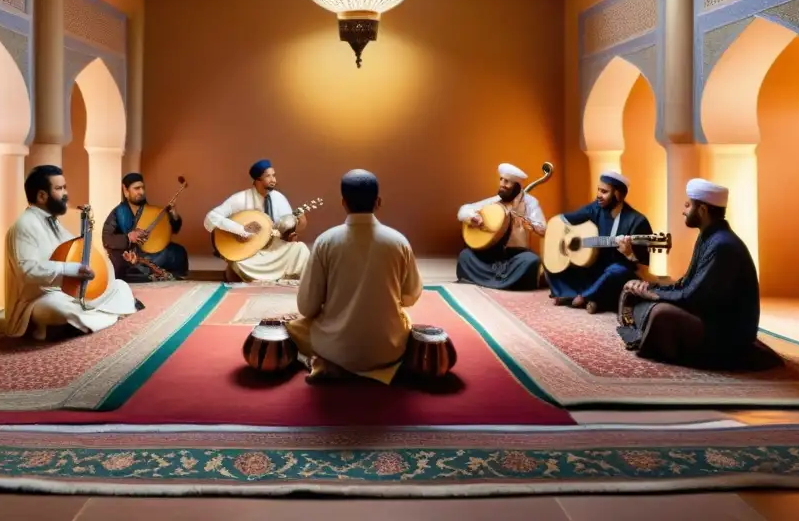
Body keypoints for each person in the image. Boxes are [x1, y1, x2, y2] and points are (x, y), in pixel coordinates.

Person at [286, 169, 423, 384]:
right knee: (406, 321)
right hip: (388, 350)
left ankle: (327, 365)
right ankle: (380, 371)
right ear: (378, 202)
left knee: (294, 325)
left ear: (343, 202)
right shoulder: (398, 242)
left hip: (334, 349)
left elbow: (307, 307)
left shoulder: (325, 241)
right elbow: (410, 297)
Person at [617, 179, 768, 370]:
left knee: (661, 313)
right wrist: (650, 288)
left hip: (727, 333)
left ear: (703, 210)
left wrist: (653, 295)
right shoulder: (708, 236)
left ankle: (660, 340)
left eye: (688, 205)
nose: (684, 210)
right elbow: (685, 284)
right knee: (641, 297)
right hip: (708, 314)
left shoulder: (722, 245)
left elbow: (693, 296)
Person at [5, 165, 140, 341]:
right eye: (59, 188)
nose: (65, 194)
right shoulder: (24, 226)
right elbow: (28, 270)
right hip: (39, 299)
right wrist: (71, 270)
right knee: (58, 308)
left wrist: (99, 268)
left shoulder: (53, 222)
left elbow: (77, 250)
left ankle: (82, 323)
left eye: (64, 187)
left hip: (68, 291)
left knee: (120, 287)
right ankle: (93, 318)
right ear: (41, 196)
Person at [545, 170, 652, 314]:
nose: (598, 195)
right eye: (598, 190)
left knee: (616, 271)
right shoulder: (595, 208)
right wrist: (562, 237)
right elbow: (566, 219)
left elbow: (644, 264)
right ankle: (593, 298)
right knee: (553, 259)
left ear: (618, 195)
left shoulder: (637, 221)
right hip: (593, 269)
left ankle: (584, 296)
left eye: (604, 192)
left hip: (615, 275)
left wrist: (629, 253)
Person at [204, 159, 310, 282]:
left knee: (300, 249)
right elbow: (211, 218)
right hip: (252, 254)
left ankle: (284, 279)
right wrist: (239, 230)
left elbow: (286, 226)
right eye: (268, 176)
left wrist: (296, 226)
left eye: (274, 175)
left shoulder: (279, 198)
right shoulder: (240, 199)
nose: (273, 180)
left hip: (275, 249)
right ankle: (268, 278)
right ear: (257, 180)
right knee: (237, 262)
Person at [456, 163, 546, 290]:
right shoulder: (495, 201)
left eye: (507, 182)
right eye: (501, 180)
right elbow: (464, 210)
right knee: (465, 255)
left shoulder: (530, 203)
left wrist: (528, 222)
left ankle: (494, 279)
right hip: (492, 253)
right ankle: (506, 281)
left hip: (516, 255)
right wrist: (474, 218)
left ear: (517, 186)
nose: (502, 184)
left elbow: (543, 229)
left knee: (531, 261)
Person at [101, 173, 189, 282]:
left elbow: (175, 229)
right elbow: (107, 239)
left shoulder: (149, 210)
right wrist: (128, 237)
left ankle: (161, 276)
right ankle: (149, 274)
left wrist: (174, 214)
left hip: (152, 254)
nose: (141, 192)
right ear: (125, 190)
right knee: (130, 265)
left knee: (178, 252)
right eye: (137, 188)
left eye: (143, 188)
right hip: (130, 255)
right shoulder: (119, 213)